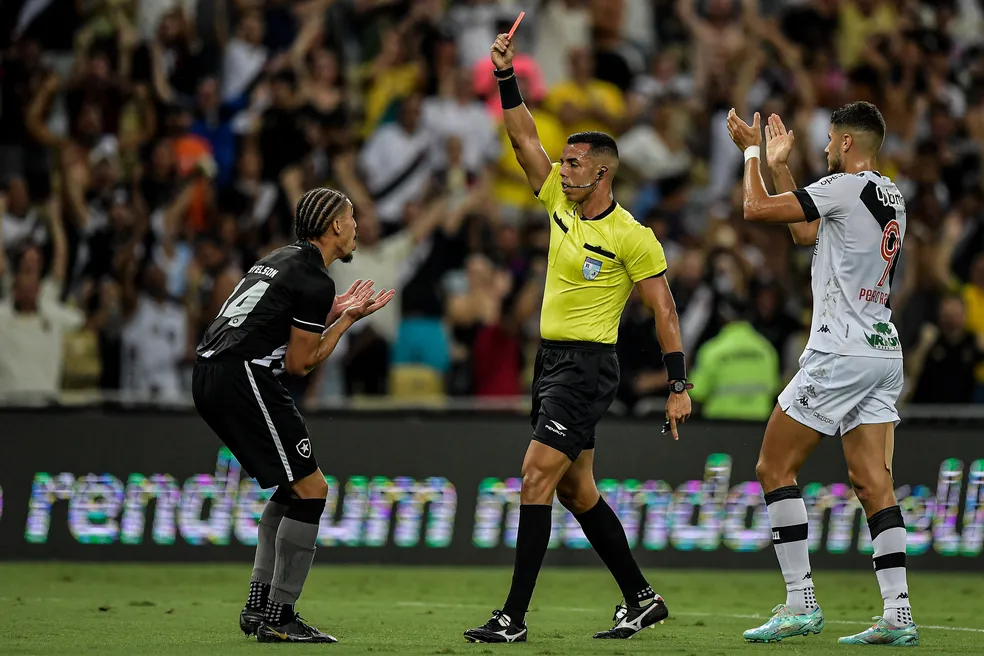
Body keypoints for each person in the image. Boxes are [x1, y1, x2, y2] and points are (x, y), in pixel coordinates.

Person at [464, 32, 693, 644]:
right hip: (552, 362)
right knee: (576, 489)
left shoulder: (632, 236)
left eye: (573, 164)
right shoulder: (559, 205)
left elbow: (664, 310)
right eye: (562, 162)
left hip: (588, 368)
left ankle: (512, 617)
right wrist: (505, 75)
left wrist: (678, 384)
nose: (560, 169)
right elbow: (520, 137)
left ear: (603, 173)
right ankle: (642, 598)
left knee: (535, 476)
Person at [725, 104, 918, 646]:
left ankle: (798, 602)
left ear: (850, 145)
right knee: (873, 483)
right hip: (883, 350)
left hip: (840, 351)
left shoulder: (842, 185)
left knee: (772, 466)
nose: (827, 149)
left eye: (832, 142)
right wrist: (785, 169)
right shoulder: (890, 195)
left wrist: (753, 152)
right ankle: (898, 613)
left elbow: (754, 208)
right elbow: (808, 233)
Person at [192, 188, 394, 644]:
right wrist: (345, 321)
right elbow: (299, 364)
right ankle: (280, 614)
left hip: (210, 372)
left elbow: (268, 321)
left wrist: (330, 311)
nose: (357, 226)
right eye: (352, 218)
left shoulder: (280, 259)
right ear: (336, 227)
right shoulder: (314, 279)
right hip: (243, 377)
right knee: (313, 488)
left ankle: (258, 605)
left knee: (291, 487)